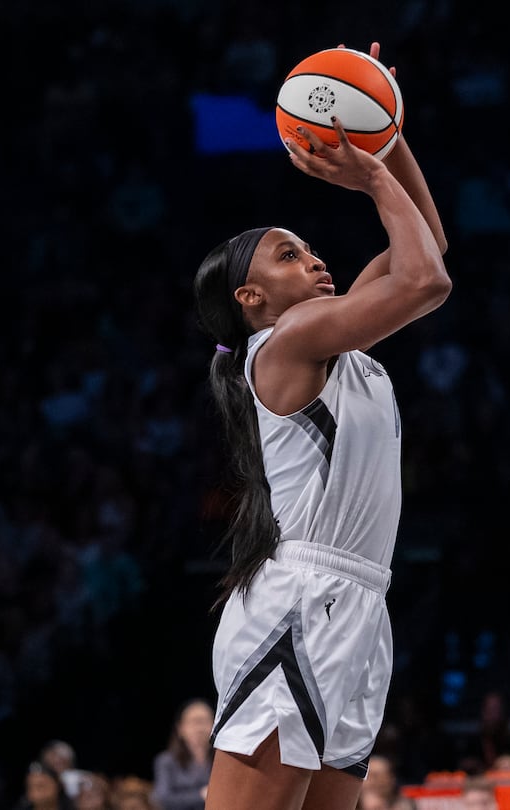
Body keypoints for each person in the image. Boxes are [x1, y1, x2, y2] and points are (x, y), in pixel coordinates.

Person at [192, 41, 450, 810]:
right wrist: (371, 171)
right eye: (287, 255)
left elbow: (429, 251)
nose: (314, 260)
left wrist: (390, 135)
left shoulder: (335, 339)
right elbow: (425, 280)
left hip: (361, 605)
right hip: (300, 599)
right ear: (251, 300)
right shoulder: (285, 345)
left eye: (308, 248)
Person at [153, 699, 213, 810]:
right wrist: (200, 795)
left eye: (205, 721)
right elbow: (162, 798)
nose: (200, 729)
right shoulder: (166, 761)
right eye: (194, 722)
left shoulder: (220, 761)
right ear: (180, 728)